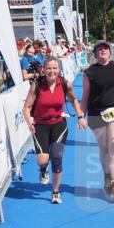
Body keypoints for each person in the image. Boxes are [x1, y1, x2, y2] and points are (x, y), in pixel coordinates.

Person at [23, 56, 86, 204]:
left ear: (59, 69)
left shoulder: (65, 84)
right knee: (42, 160)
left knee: (57, 156)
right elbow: (27, 107)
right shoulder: (37, 85)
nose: (52, 71)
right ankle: (43, 169)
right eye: (49, 68)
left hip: (58, 124)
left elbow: (74, 99)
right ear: (44, 70)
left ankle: (56, 192)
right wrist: (29, 122)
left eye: (54, 68)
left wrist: (80, 116)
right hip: (40, 125)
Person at [81, 41, 114, 200]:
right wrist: (81, 116)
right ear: (95, 54)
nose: (103, 51)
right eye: (99, 49)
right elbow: (85, 96)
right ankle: (107, 178)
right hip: (96, 113)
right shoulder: (90, 72)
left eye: (105, 48)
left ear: (110, 51)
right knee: (104, 148)